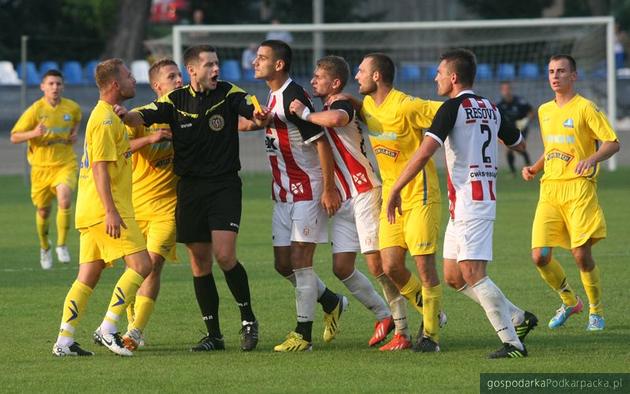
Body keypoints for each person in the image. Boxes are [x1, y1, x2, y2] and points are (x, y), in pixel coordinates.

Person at [387, 48, 536, 358]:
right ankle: (519, 318)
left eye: (439, 72)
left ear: (453, 78)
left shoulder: (451, 108)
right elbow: (520, 143)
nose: (435, 77)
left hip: (472, 201)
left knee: (472, 272)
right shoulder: (491, 108)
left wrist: (397, 187)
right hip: (464, 204)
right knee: (454, 277)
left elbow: (425, 151)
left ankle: (512, 343)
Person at [118, 45, 267, 352]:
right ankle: (214, 335)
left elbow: (248, 105)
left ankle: (248, 320)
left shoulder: (227, 92)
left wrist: (258, 113)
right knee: (199, 264)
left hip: (224, 186)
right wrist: (123, 113)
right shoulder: (175, 101)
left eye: (217, 63)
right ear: (193, 70)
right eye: (209, 64)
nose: (216, 69)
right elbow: (142, 115)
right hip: (189, 190)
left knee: (224, 256)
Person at [288, 55, 408, 349]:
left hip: (366, 191)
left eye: (319, 77)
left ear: (335, 83)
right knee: (342, 267)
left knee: (378, 265)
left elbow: (339, 119)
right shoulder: (335, 103)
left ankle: (414, 319)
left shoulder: (338, 105)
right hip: (343, 199)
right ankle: (384, 315)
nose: (313, 80)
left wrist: (304, 114)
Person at [51, 58, 152, 357]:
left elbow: (115, 155)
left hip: (88, 210)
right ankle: (108, 328)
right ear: (114, 85)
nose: (134, 80)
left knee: (88, 276)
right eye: (129, 76)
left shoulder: (105, 116)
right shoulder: (106, 120)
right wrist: (111, 210)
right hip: (108, 209)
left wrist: (150, 137)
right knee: (143, 265)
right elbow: (99, 168)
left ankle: (64, 340)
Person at [252, 40, 346, 352]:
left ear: (279, 65)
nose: (256, 62)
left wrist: (329, 188)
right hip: (282, 192)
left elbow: (321, 143)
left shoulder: (293, 95)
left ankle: (302, 334)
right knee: (283, 265)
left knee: (301, 262)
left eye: (262, 58)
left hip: (307, 189)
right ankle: (331, 301)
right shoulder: (272, 94)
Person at [351, 53, 445, 352]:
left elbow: (447, 110)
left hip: (420, 195)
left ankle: (430, 336)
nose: (357, 76)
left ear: (377, 76)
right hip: (392, 199)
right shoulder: (367, 105)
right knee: (390, 266)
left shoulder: (408, 105)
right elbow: (356, 110)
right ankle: (433, 312)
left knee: (424, 266)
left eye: (361, 71)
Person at [522, 54, 620, 331]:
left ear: (573, 76)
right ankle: (569, 301)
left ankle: (596, 311)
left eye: (561, 71)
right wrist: (535, 167)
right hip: (550, 189)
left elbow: (612, 143)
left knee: (580, 254)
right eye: (551, 71)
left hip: (579, 188)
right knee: (539, 256)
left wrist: (592, 158)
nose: (555, 76)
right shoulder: (544, 111)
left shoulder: (586, 108)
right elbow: (553, 148)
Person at [121, 58, 182, 350]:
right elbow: (119, 148)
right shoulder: (141, 116)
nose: (179, 80)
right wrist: (151, 139)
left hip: (167, 206)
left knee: (153, 265)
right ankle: (130, 319)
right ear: (158, 86)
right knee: (136, 267)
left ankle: (135, 331)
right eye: (172, 77)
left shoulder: (186, 114)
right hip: (134, 205)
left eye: (180, 75)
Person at [10, 69, 81, 269]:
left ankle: (62, 245)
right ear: (43, 87)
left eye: (58, 83)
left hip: (65, 163)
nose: (55, 87)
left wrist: (74, 135)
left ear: (63, 86)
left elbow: (76, 121)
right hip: (41, 168)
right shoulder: (35, 111)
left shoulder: (72, 108)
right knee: (43, 210)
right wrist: (33, 133)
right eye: (50, 84)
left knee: (65, 199)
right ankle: (45, 247)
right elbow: (14, 136)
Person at [496, 81, 534, 177]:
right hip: (510, 129)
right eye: (504, 89)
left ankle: (528, 167)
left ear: (511, 90)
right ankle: (515, 171)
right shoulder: (500, 105)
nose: (506, 91)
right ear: (501, 91)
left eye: (508, 89)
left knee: (519, 147)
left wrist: (526, 120)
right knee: (510, 149)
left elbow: (531, 112)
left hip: (522, 129)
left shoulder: (520, 102)